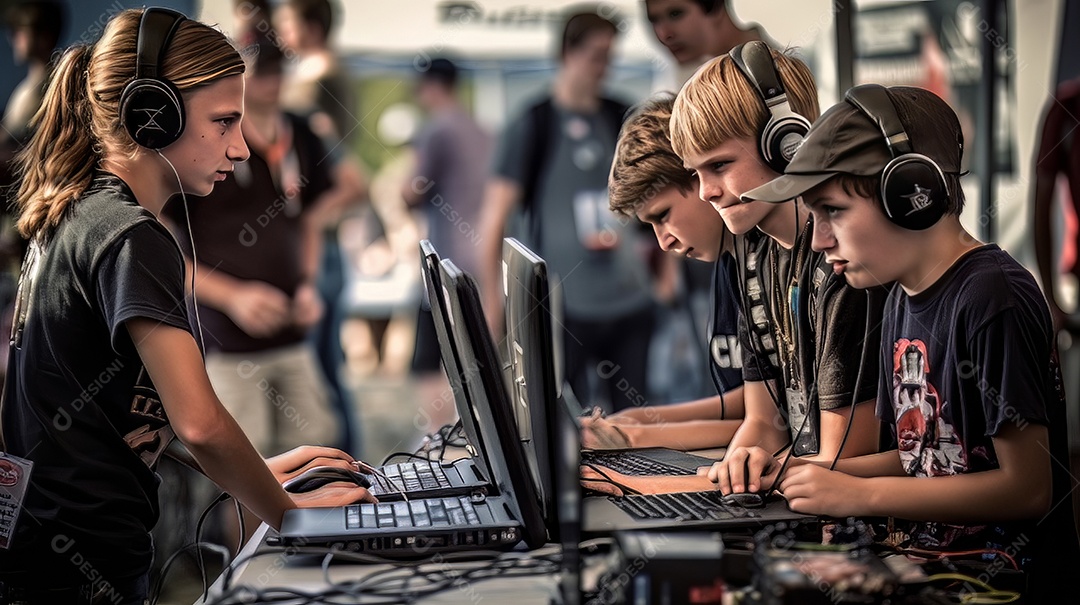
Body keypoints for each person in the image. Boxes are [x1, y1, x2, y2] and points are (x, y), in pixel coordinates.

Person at [0, 10, 371, 603]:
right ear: (153, 117)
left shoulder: (81, 212)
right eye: (224, 122)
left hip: (48, 554)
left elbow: (124, 417)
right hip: (78, 566)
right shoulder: (131, 236)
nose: (242, 146)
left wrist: (257, 472)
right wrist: (293, 515)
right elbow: (199, 422)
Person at [740, 83, 1080, 602]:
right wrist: (805, 473)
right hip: (928, 573)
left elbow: (1029, 488)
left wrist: (860, 494)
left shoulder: (992, 296)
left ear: (910, 195)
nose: (819, 239)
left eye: (833, 211)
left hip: (1002, 585)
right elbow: (921, 455)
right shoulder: (897, 296)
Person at [582, 43, 882, 495]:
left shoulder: (840, 265)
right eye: (697, 173)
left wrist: (644, 484)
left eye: (719, 166)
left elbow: (838, 461)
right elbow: (763, 422)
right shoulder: (752, 254)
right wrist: (732, 467)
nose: (706, 192)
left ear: (788, 145)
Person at [162, 33, 346, 458]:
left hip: (291, 333)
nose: (273, 79)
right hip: (227, 342)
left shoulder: (300, 130)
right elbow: (162, 247)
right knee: (245, 472)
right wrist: (233, 297)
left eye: (280, 67)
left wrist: (308, 284)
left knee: (316, 455)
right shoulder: (201, 141)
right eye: (261, 69)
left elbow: (312, 217)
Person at [479, 11, 655, 413]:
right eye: (596, 55)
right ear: (566, 53)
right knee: (562, 426)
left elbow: (658, 200)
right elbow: (492, 221)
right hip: (563, 311)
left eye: (610, 56)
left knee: (637, 423)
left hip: (629, 304)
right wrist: (494, 306)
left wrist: (661, 277)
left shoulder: (621, 117)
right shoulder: (533, 125)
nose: (604, 67)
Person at [580, 93, 744, 451]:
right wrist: (643, 419)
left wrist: (637, 436)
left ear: (701, 177)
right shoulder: (729, 263)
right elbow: (748, 402)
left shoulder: (759, 264)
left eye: (663, 215)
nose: (664, 242)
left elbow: (774, 424)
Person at [402, 57, 491, 430]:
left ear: (431, 87)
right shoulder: (485, 131)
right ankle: (474, 439)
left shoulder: (437, 130)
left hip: (446, 262)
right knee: (476, 356)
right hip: (482, 259)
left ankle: (436, 442)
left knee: (429, 358)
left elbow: (411, 192)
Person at [644, 0, 776, 83]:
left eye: (675, 14)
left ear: (716, 5)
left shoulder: (783, 66)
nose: (664, 34)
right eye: (654, 20)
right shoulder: (677, 81)